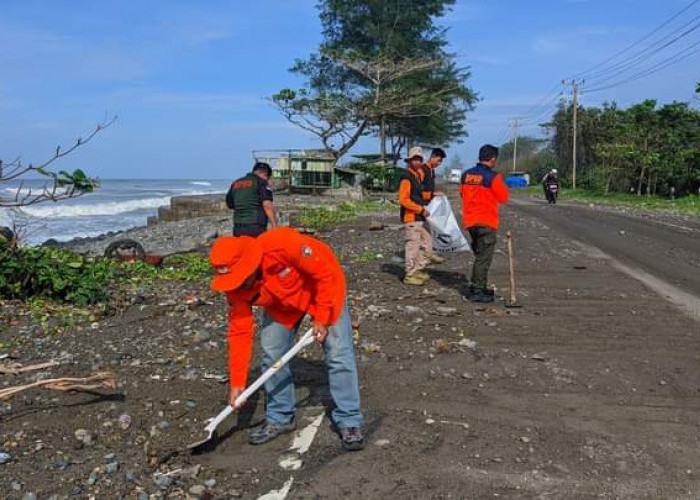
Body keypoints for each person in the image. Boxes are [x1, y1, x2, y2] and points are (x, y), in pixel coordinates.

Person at [209, 227, 365, 451]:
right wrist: (237, 383)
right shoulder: (235, 287)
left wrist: (321, 317)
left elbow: (324, 274)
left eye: (241, 279)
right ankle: (280, 417)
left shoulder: (281, 244)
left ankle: (349, 420)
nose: (238, 286)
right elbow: (239, 331)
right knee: (272, 352)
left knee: (338, 352)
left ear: (250, 264)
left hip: (324, 290)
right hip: (283, 305)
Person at [459, 144, 510, 303]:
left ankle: (480, 285)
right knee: (483, 257)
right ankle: (477, 290)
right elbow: (503, 197)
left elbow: (462, 193)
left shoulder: (466, 175)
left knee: (480, 254)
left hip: (470, 221)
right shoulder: (493, 177)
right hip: (486, 221)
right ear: (493, 159)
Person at [398, 147, 431, 286]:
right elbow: (403, 200)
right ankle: (410, 274)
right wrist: (420, 210)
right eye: (414, 159)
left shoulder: (416, 177)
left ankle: (417, 269)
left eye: (419, 159)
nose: (417, 162)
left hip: (419, 218)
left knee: (427, 245)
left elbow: (417, 196)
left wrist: (434, 196)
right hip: (411, 218)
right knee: (413, 247)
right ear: (410, 161)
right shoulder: (407, 178)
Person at [226, 162, 277, 237]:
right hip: (255, 226)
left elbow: (230, 204)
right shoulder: (261, 182)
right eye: (267, 177)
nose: (267, 179)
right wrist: (275, 226)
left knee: (242, 248)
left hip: (238, 227)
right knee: (257, 248)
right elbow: (267, 205)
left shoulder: (236, 183)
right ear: (265, 173)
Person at [421, 148, 447, 265]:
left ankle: (429, 253)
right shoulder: (422, 170)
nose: (439, 163)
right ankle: (425, 257)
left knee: (429, 230)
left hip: (428, 204)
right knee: (423, 232)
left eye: (441, 161)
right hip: (421, 205)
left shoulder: (432, 171)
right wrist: (432, 194)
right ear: (432, 157)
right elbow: (417, 191)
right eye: (438, 160)